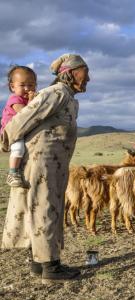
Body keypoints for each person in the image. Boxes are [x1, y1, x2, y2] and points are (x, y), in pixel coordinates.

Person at [1, 53, 90, 284]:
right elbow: (25, 117)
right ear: (70, 73)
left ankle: (39, 263)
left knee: (43, 207)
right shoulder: (57, 93)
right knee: (45, 208)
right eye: (85, 72)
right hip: (43, 162)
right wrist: (5, 139)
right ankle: (51, 267)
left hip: (54, 163)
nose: (88, 78)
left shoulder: (68, 97)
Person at [1, 66, 37, 187]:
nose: (27, 89)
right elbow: (25, 114)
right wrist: (32, 101)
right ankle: (12, 173)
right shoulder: (15, 99)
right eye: (22, 85)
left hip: (22, 130)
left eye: (31, 85)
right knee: (18, 148)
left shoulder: (29, 98)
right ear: (12, 87)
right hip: (12, 131)